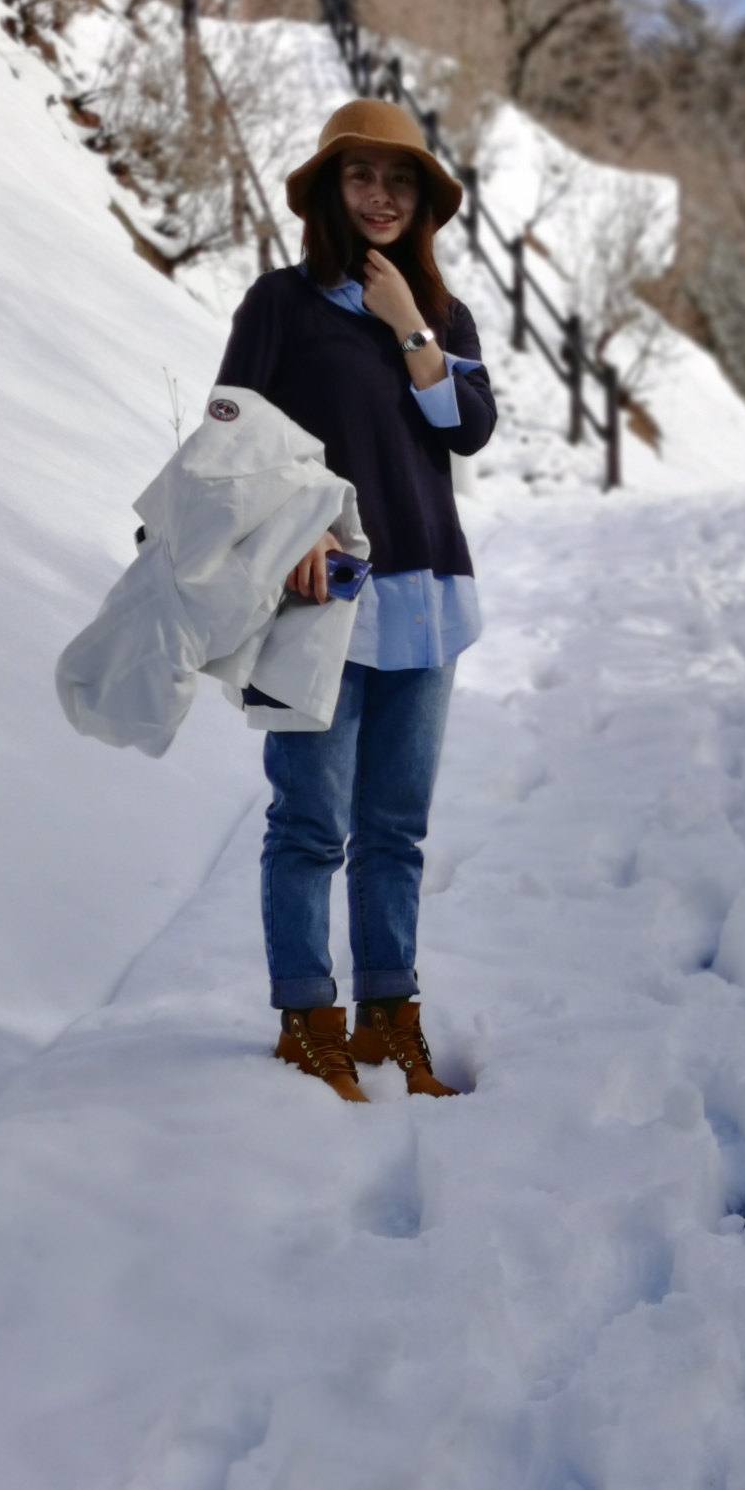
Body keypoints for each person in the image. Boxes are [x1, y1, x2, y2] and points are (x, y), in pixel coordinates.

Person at [213, 99, 497, 1103]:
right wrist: (294, 527)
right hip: (319, 598)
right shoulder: (280, 305)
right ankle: (307, 1020)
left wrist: (408, 326)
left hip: (428, 601)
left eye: (401, 181)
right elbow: (229, 441)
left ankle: (390, 1019)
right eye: (361, 177)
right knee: (310, 824)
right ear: (332, 189)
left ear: (421, 201)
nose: (381, 196)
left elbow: (465, 430)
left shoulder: (441, 317)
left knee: (395, 830)